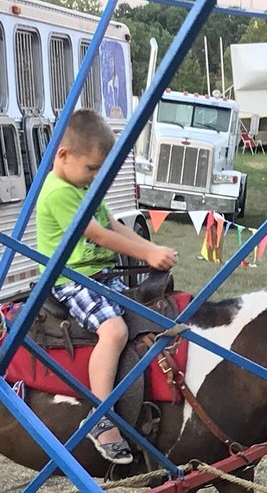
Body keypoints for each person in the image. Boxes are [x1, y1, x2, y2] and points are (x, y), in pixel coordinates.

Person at [36, 110, 177, 465]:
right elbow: (97, 235)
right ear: (64, 155)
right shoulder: (58, 192)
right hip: (70, 279)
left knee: (156, 310)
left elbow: (111, 223)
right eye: (91, 168)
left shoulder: (83, 187)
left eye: (101, 170)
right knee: (113, 331)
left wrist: (148, 251)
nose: (96, 176)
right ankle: (99, 418)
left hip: (99, 276)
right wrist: (147, 252)